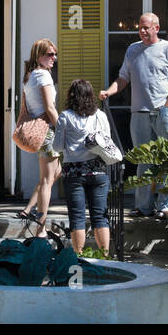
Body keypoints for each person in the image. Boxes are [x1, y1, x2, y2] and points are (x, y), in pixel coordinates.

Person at [99, 12, 168, 219]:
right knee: (143, 162)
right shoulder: (133, 50)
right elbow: (123, 78)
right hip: (139, 114)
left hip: (164, 113)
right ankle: (143, 206)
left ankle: (165, 207)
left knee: (167, 161)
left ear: (157, 27)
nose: (143, 31)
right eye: (140, 27)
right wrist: (109, 92)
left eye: (147, 27)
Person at [52, 79, 112, 254]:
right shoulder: (100, 115)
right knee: (100, 216)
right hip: (98, 171)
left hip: (74, 172)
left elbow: (57, 147)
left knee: (77, 217)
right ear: (91, 96)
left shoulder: (65, 116)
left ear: (72, 95)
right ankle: (104, 255)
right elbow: (107, 141)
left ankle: (78, 255)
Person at [17, 38, 61, 237]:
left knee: (55, 173)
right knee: (46, 180)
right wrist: (63, 129)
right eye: (49, 54)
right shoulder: (43, 76)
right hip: (48, 131)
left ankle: (29, 209)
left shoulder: (31, 75)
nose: (54, 58)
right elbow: (50, 107)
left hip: (40, 131)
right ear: (39, 56)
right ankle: (40, 228)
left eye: (55, 54)